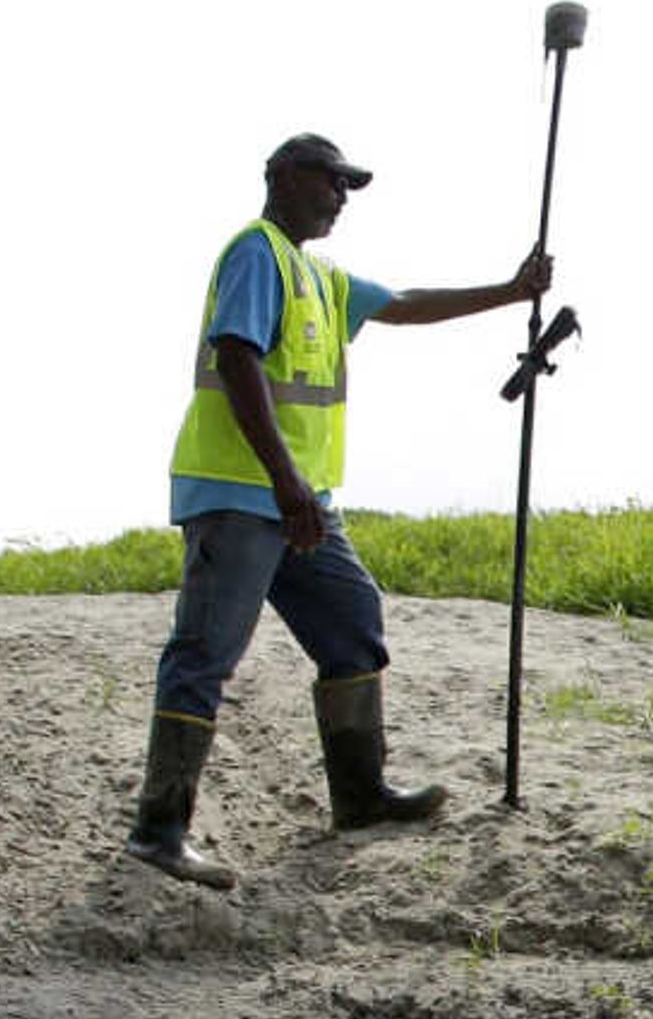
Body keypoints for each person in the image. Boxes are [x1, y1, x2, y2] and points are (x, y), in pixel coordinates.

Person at [123, 131, 556, 887]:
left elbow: (407, 303)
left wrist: (512, 292)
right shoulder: (258, 252)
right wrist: (288, 484)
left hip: (302, 505)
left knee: (354, 624)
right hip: (243, 496)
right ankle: (159, 829)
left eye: (348, 186)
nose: (342, 198)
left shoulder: (320, 277)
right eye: (333, 182)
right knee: (205, 655)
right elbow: (237, 358)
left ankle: (360, 795)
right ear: (286, 177)